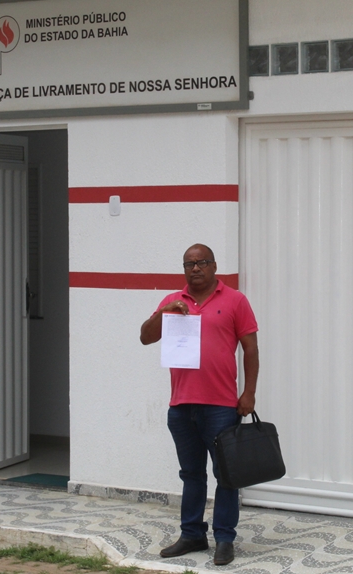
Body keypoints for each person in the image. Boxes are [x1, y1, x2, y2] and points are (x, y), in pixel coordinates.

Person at [140, 243, 259, 567]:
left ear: (214, 266)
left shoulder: (235, 300)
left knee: (226, 475)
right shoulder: (172, 302)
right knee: (191, 474)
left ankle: (224, 539)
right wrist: (164, 313)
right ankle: (192, 534)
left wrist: (248, 394)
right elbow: (145, 337)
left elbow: (250, 348)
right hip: (181, 406)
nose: (195, 268)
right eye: (189, 264)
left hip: (221, 406)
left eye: (202, 262)